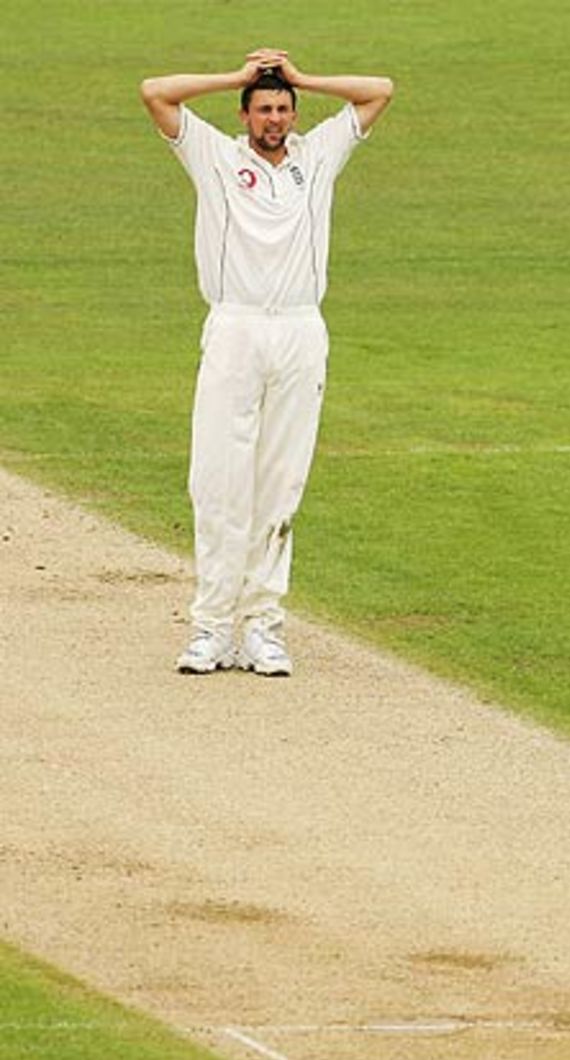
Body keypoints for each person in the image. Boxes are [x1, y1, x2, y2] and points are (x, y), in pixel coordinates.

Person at [140, 49, 394, 676]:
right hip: (236, 327)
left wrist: (302, 77)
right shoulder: (215, 156)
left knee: (281, 483)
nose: (274, 119)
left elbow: (379, 90)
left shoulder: (318, 154)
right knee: (218, 482)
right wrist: (236, 76)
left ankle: (262, 628)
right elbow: (155, 92)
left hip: (301, 330)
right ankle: (211, 628)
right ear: (245, 115)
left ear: (294, 114)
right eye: (263, 109)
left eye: (282, 109)